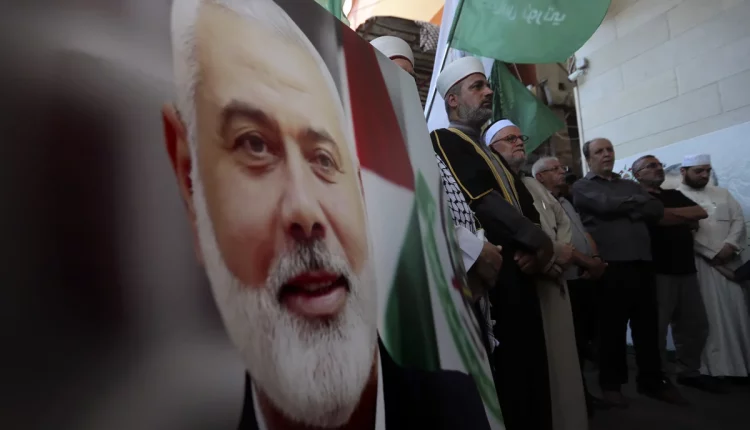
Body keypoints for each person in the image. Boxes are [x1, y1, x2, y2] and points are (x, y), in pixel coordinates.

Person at [162, 1, 490, 429]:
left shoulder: (455, 410)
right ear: (189, 180)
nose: (305, 210)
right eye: (254, 145)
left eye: (323, 157)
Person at [431, 56, 556, 430]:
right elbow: (484, 201)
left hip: (524, 272)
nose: (488, 92)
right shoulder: (446, 139)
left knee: (535, 377)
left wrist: (539, 249)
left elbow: (526, 206)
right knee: (512, 383)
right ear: (453, 100)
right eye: (477, 87)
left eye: (487, 85)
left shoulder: (488, 150)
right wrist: (540, 244)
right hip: (496, 277)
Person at [371, 35, 502, 356]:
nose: (404, 83)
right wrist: (474, 251)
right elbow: (398, 212)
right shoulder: (370, 139)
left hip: (461, 289)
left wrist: (481, 247)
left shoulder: (417, 139)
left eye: (410, 76)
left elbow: (454, 206)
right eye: (393, 72)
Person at [483, 125, 587, 430]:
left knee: (565, 359)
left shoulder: (531, 183)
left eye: (520, 138)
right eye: (509, 139)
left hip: (555, 277)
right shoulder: (492, 185)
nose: (518, 143)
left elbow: (561, 221)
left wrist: (558, 255)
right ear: (491, 148)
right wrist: (548, 258)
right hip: (530, 282)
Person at [572, 138, 684, 407]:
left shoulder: (629, 185)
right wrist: (636, 205)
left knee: (647, 327)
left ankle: (652, 382)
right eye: (599, 151)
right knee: (611, 329)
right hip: (611, 266)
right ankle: (611, 385)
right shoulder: (582, 186)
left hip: (642, 263)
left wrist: (624, 204)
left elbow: (655, 209)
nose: (606, 154)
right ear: (589, 158)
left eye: (609, 149)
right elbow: (603, 206)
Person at [632, 155, 722, 393]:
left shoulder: (672, 194)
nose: (658, 169)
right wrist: (679, 216)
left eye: (659, 165)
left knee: (695, 325)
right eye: (651, 166)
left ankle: (689, 372)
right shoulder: (637, 197)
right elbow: (660, 219)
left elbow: (700, 213)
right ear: (637, 174)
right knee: (657, 328)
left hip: (686, 269)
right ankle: (658, 376)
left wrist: (668, 215)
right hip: (658, 271)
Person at [533, 156, 608, 416]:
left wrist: (595, 258)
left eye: (562, 168)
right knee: (574, 343)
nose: (561, 172)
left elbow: (583, 233)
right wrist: (588, 263)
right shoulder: (541, 202)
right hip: (570, 279)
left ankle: (590, 393)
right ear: (539, 177)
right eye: (554, 169)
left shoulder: (565, 200)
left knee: (590, 338)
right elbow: (559, 243)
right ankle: (580, 399)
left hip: (586, 276)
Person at [678, 153, 750, 379]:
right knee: (709, 318)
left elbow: (738, 221)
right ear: (683, 172)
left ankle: (742, 368)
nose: (704, 175)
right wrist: (711, 254)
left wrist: (730, 245)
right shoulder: (677, 197)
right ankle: (716, 370)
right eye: (698, 171)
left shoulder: (723, 194)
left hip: (729, 262)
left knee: (737, 314)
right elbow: (684, 232)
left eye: (707, 171)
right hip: (701, 265)